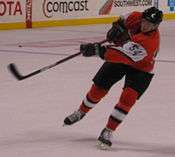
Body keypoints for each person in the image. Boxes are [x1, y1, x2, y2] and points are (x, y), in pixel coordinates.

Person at [63, 6, 163, 149]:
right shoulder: (136, 16)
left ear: (156, 26)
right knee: (98, 88)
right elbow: (122, 20)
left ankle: (109, 130)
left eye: (151, 24)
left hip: (141, 67)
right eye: (145, 21)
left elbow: (120, 55)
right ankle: (81, 111)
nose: (146, 26)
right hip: (124, 53)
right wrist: (116, 27)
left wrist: (97, 50)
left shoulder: (149, 42)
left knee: (128, 98)